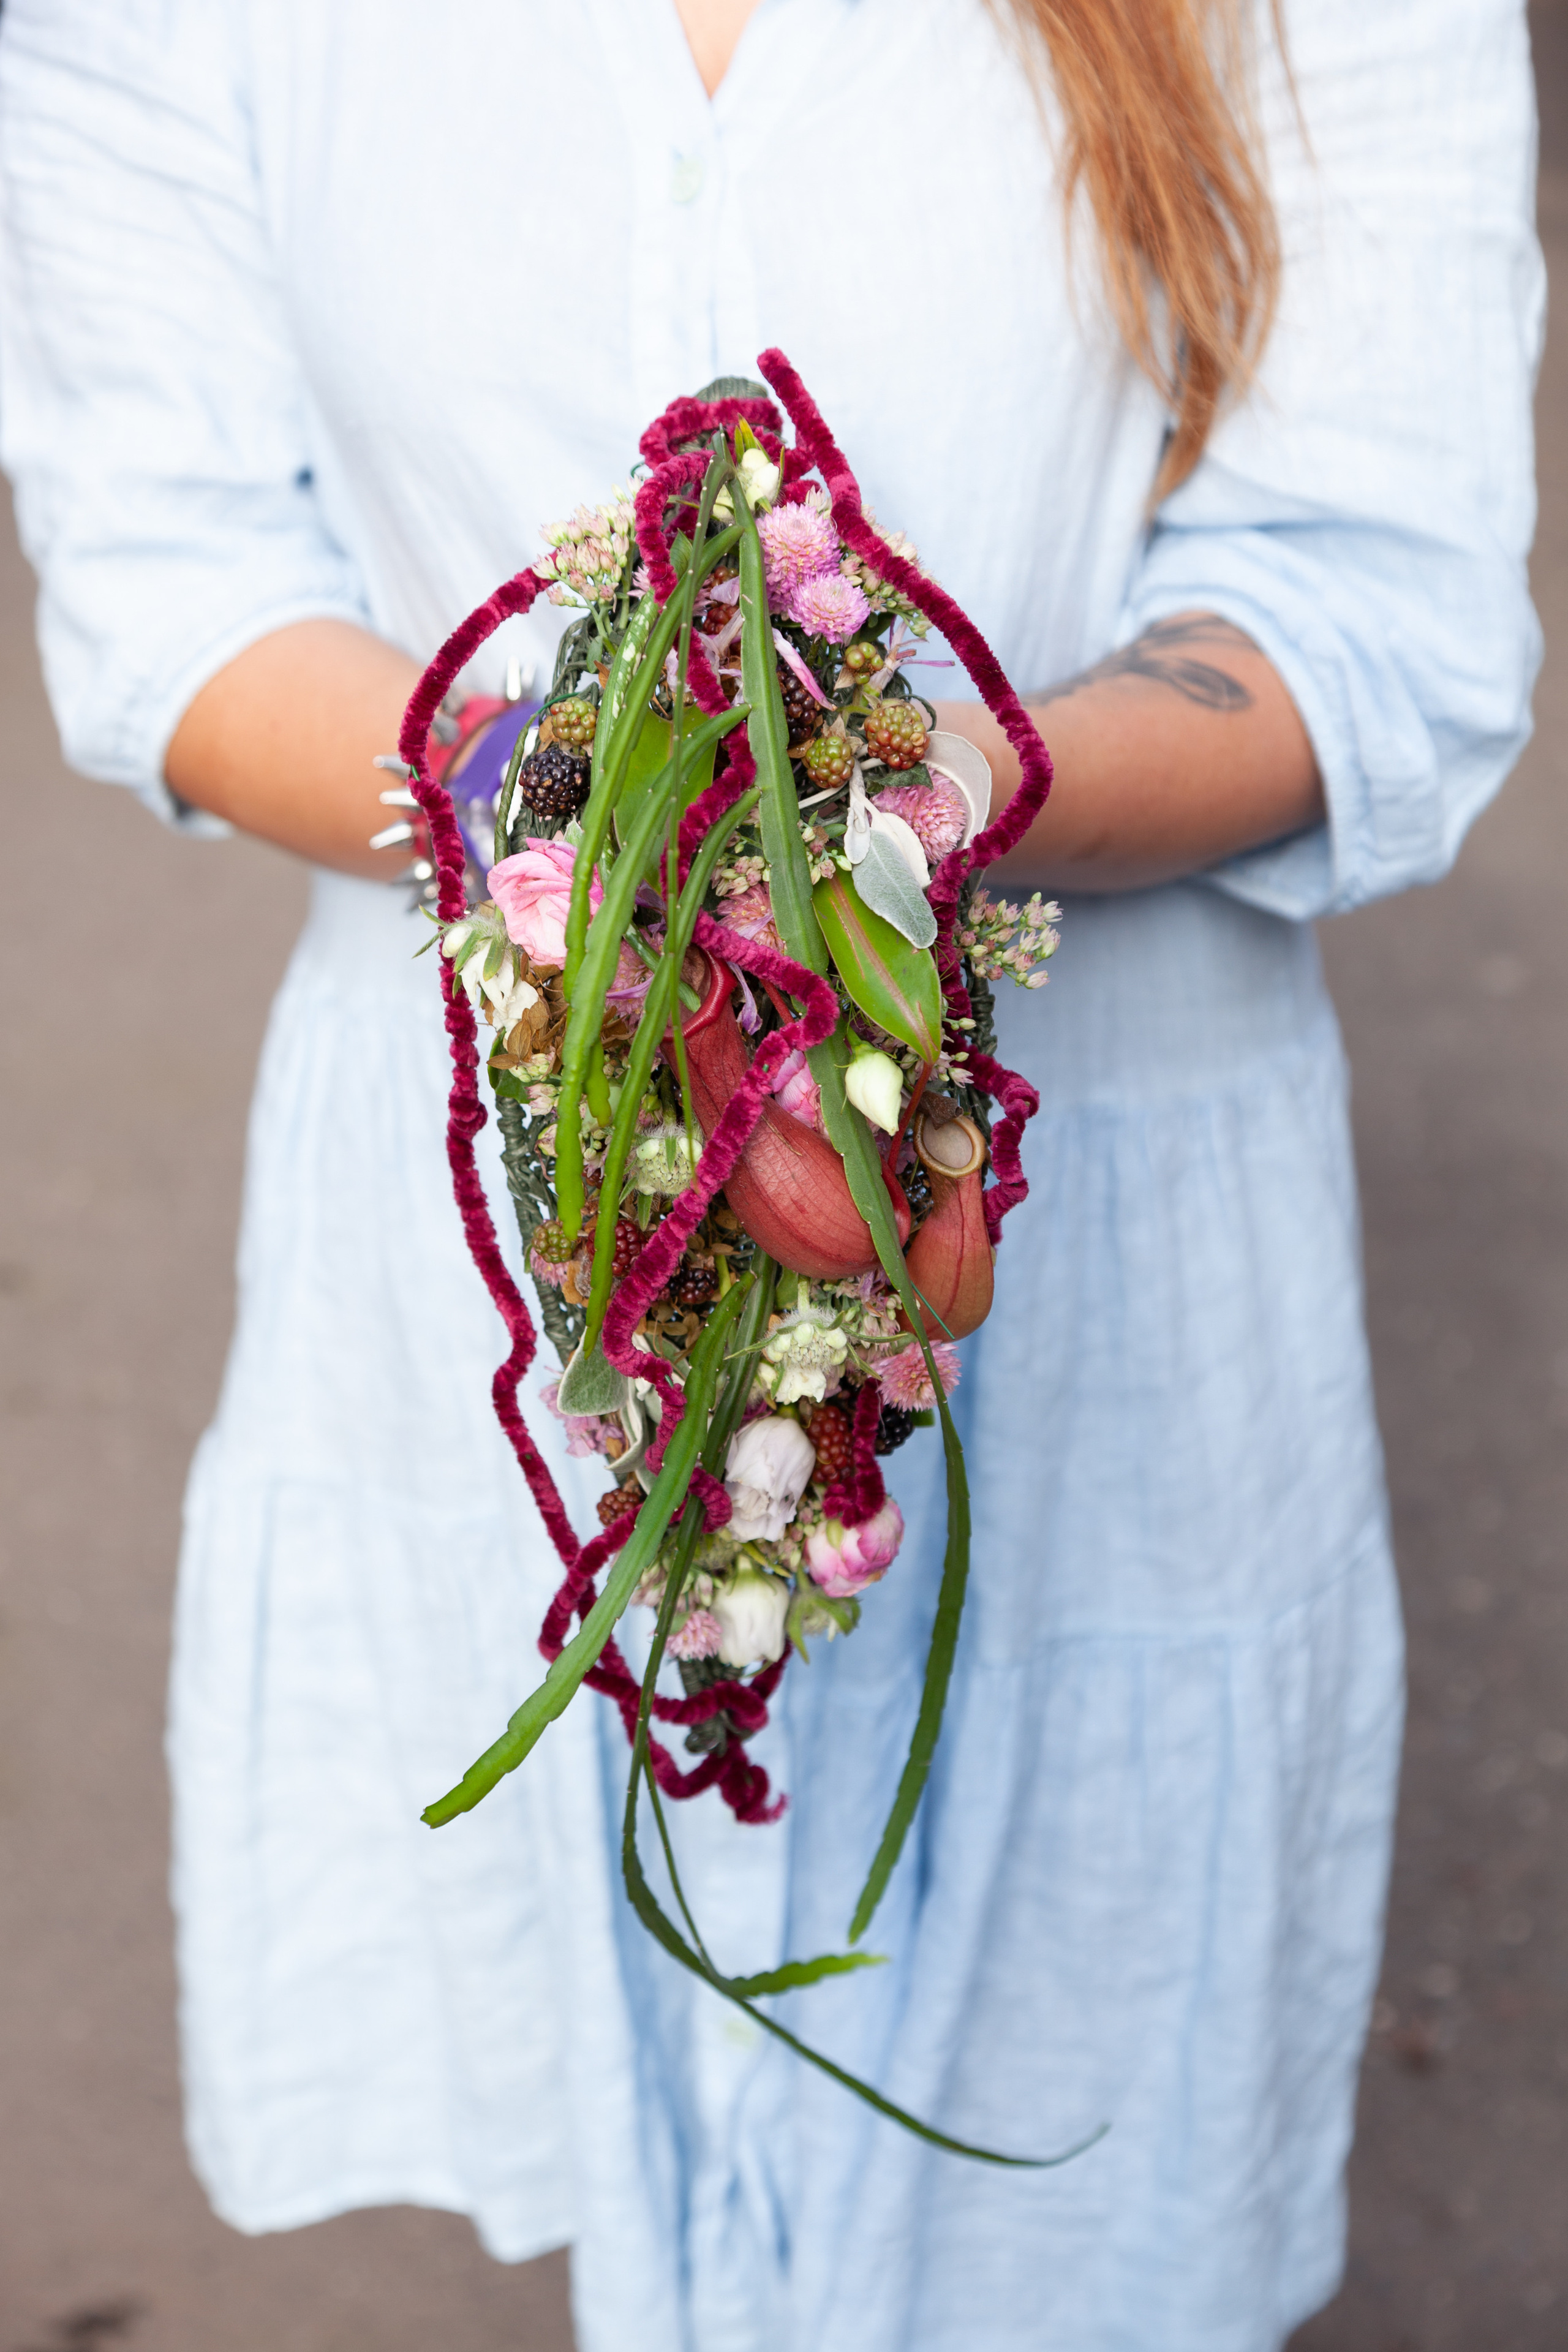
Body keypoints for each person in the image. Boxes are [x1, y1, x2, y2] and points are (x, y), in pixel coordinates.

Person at [0, 0, 1541, 2345]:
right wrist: (570, 807)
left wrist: (898, 819)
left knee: (1069, 2200)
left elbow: (1377, 603)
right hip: (499, 1303)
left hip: (1125, 1298)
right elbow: (165, 573)